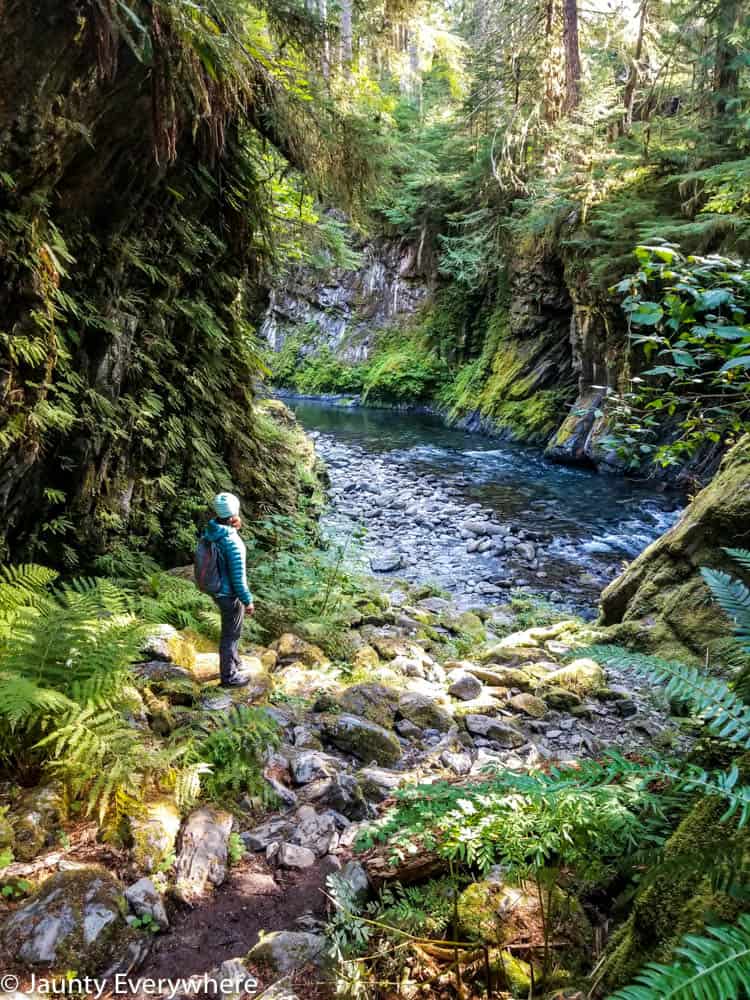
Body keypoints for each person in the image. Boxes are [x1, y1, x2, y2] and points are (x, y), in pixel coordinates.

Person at [203, 492, 255, 687]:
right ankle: (229, 677)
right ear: (234, 514)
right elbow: (238, 578)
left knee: (231, 631)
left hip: (216, 589)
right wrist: (247, 600)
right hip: (228, 593)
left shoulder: (212, 529)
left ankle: (235, 662)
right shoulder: (233, 542)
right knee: (230, 635)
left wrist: (233, 526)